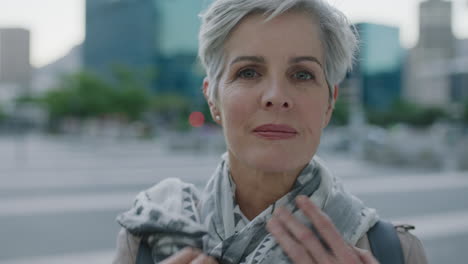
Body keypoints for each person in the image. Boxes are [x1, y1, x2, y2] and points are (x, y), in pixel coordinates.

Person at [113, 0, 428, 263]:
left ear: (330, 103)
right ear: (212, 97)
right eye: (248, 72)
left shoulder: (395, 252)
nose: (276, 95)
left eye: (302, 74)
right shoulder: (146, 240)